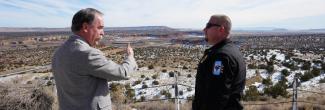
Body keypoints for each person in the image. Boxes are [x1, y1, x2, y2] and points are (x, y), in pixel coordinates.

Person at [52, 8, 137, 110]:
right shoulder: (88, 54)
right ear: (85, 27)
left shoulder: (58, 53)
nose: (103, 33)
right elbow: (122, 73)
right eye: (100, 27)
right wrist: (130, 57)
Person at [192, 15, 246, 110]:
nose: (204, 30)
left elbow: (215, 98)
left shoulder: (221, 57)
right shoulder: (232, 50)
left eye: (208, 26)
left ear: (221, 29)